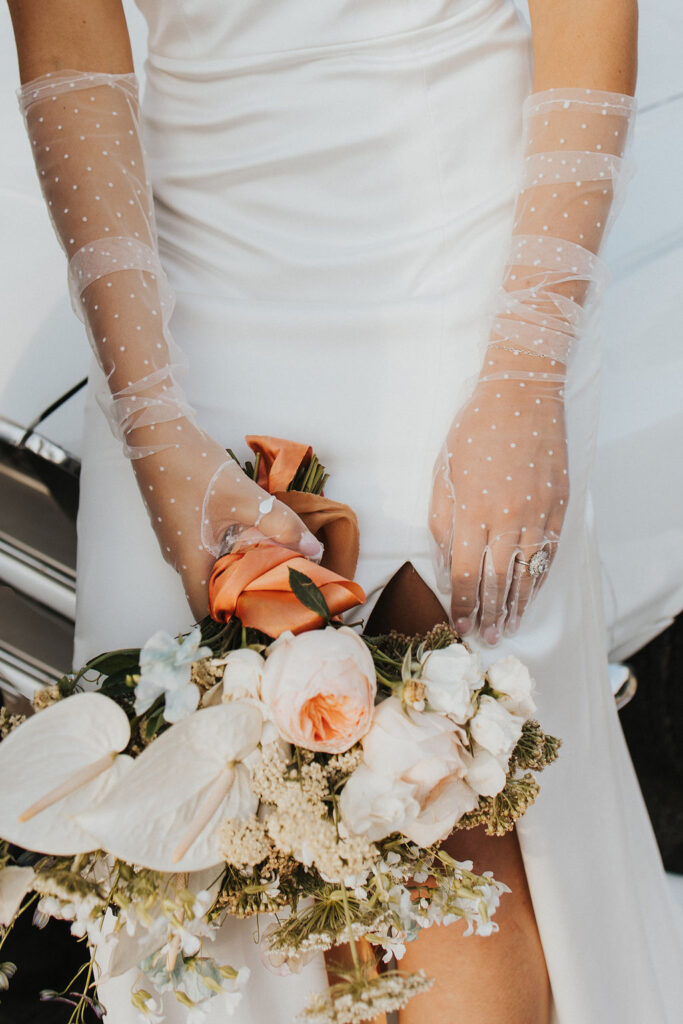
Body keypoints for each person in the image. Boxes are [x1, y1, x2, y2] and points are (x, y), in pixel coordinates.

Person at [7, 1, 680, 1021]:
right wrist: (152, 425)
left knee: (456, 808)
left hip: (462, 271)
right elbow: (65, 37)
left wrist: (527, 362)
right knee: (215, 844)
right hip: (186, 290)